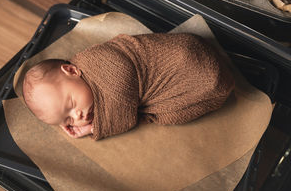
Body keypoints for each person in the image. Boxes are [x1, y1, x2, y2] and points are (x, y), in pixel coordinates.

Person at [22, 33, 235, 140]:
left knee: (168, 110)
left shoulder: (100, 62)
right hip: (186, 70)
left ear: (71, 71)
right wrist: (62, 115)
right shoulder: (88, 86)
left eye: (71, 103)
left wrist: (92, 128)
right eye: (68, 119)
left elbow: (124, 111)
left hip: (189, 65)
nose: (77, 115)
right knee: (164, 112)